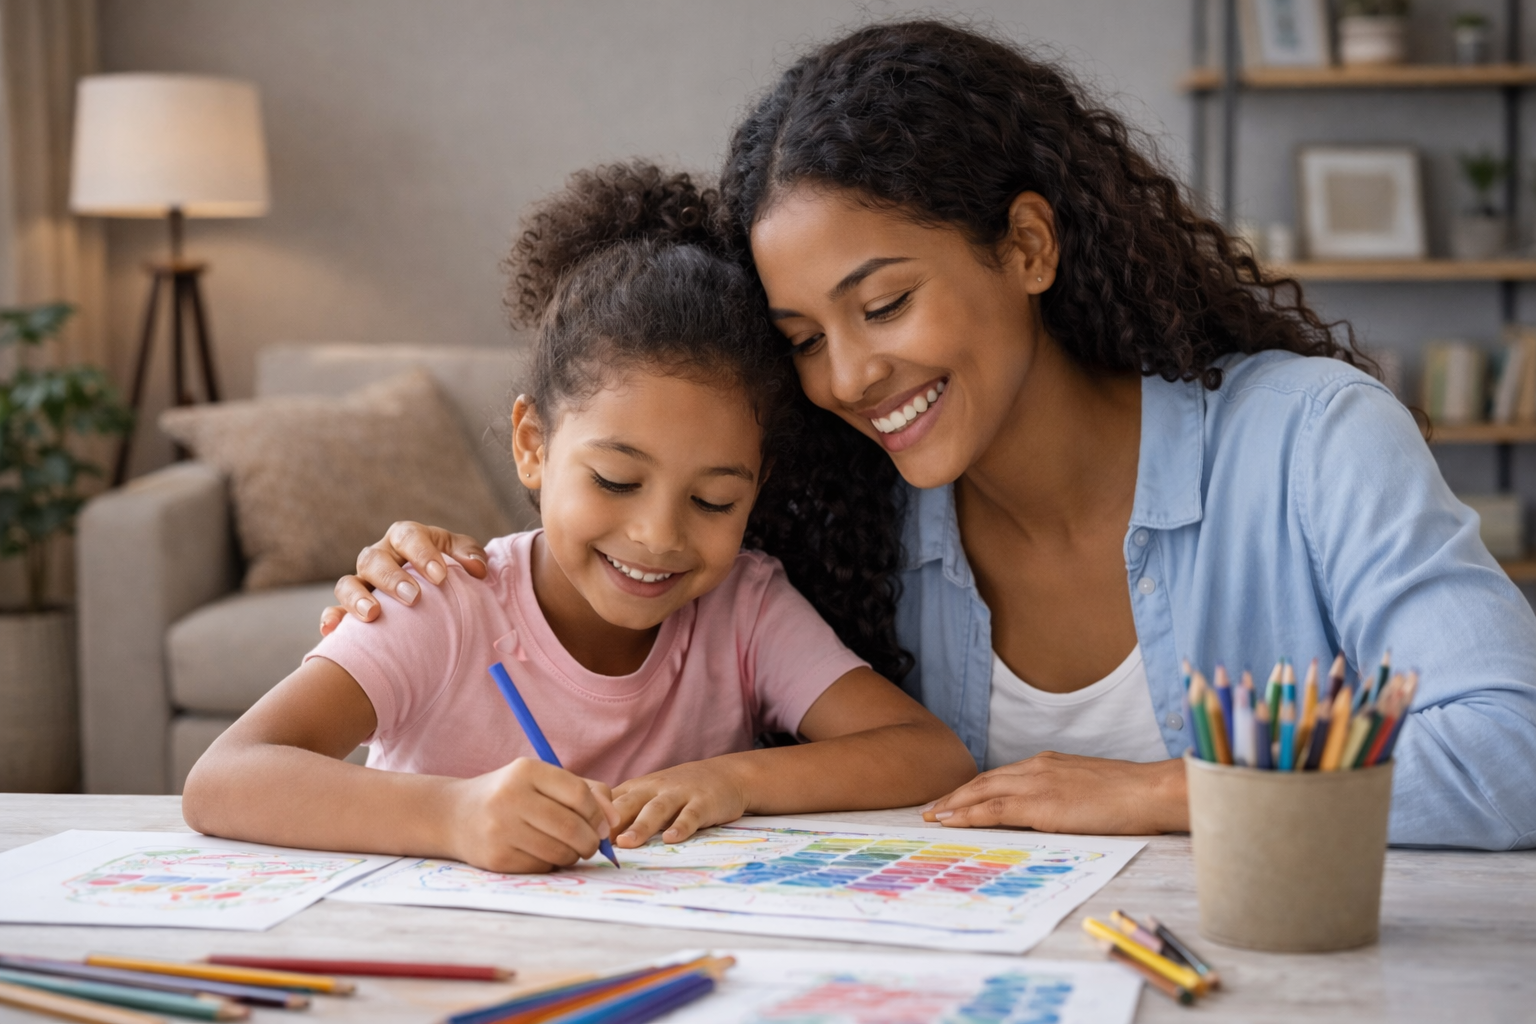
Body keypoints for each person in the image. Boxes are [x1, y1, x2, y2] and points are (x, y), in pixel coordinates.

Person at [323, 23, 1536, 850]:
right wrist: (446, 574)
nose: (849, 377)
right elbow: (632, 592)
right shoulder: (849, 506)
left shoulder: (1311, 441)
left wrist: (1158, 795)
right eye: (803, 336)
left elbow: (1509, 748)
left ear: (1026, 246)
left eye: (885, 302)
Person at [182, 162, 976, 873]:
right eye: (616, 479)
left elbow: (928, 754)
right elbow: (225, 777)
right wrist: (452, 816)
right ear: (533, 445)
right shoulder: (442, 602)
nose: (659, 535)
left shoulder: (746, 608)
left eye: (713, 501)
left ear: (759, 487)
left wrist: (730, 779)